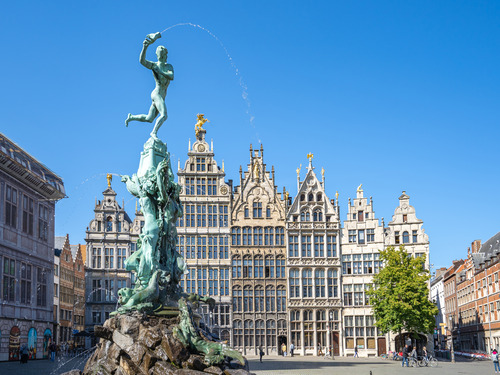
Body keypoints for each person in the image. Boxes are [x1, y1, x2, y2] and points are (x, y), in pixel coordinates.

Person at [126, 32, 174, 139]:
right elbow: (142, 61)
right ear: (160, 55)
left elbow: (171, 76)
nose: (165, 55)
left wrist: (159, 71)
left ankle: (131, 117)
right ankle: (154, 133)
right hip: (156, 93)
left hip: (161, 95)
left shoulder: (168, 66)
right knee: (164, 115)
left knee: (149, 118)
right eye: (163, 53)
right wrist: (145, 47)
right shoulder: (154, 65)